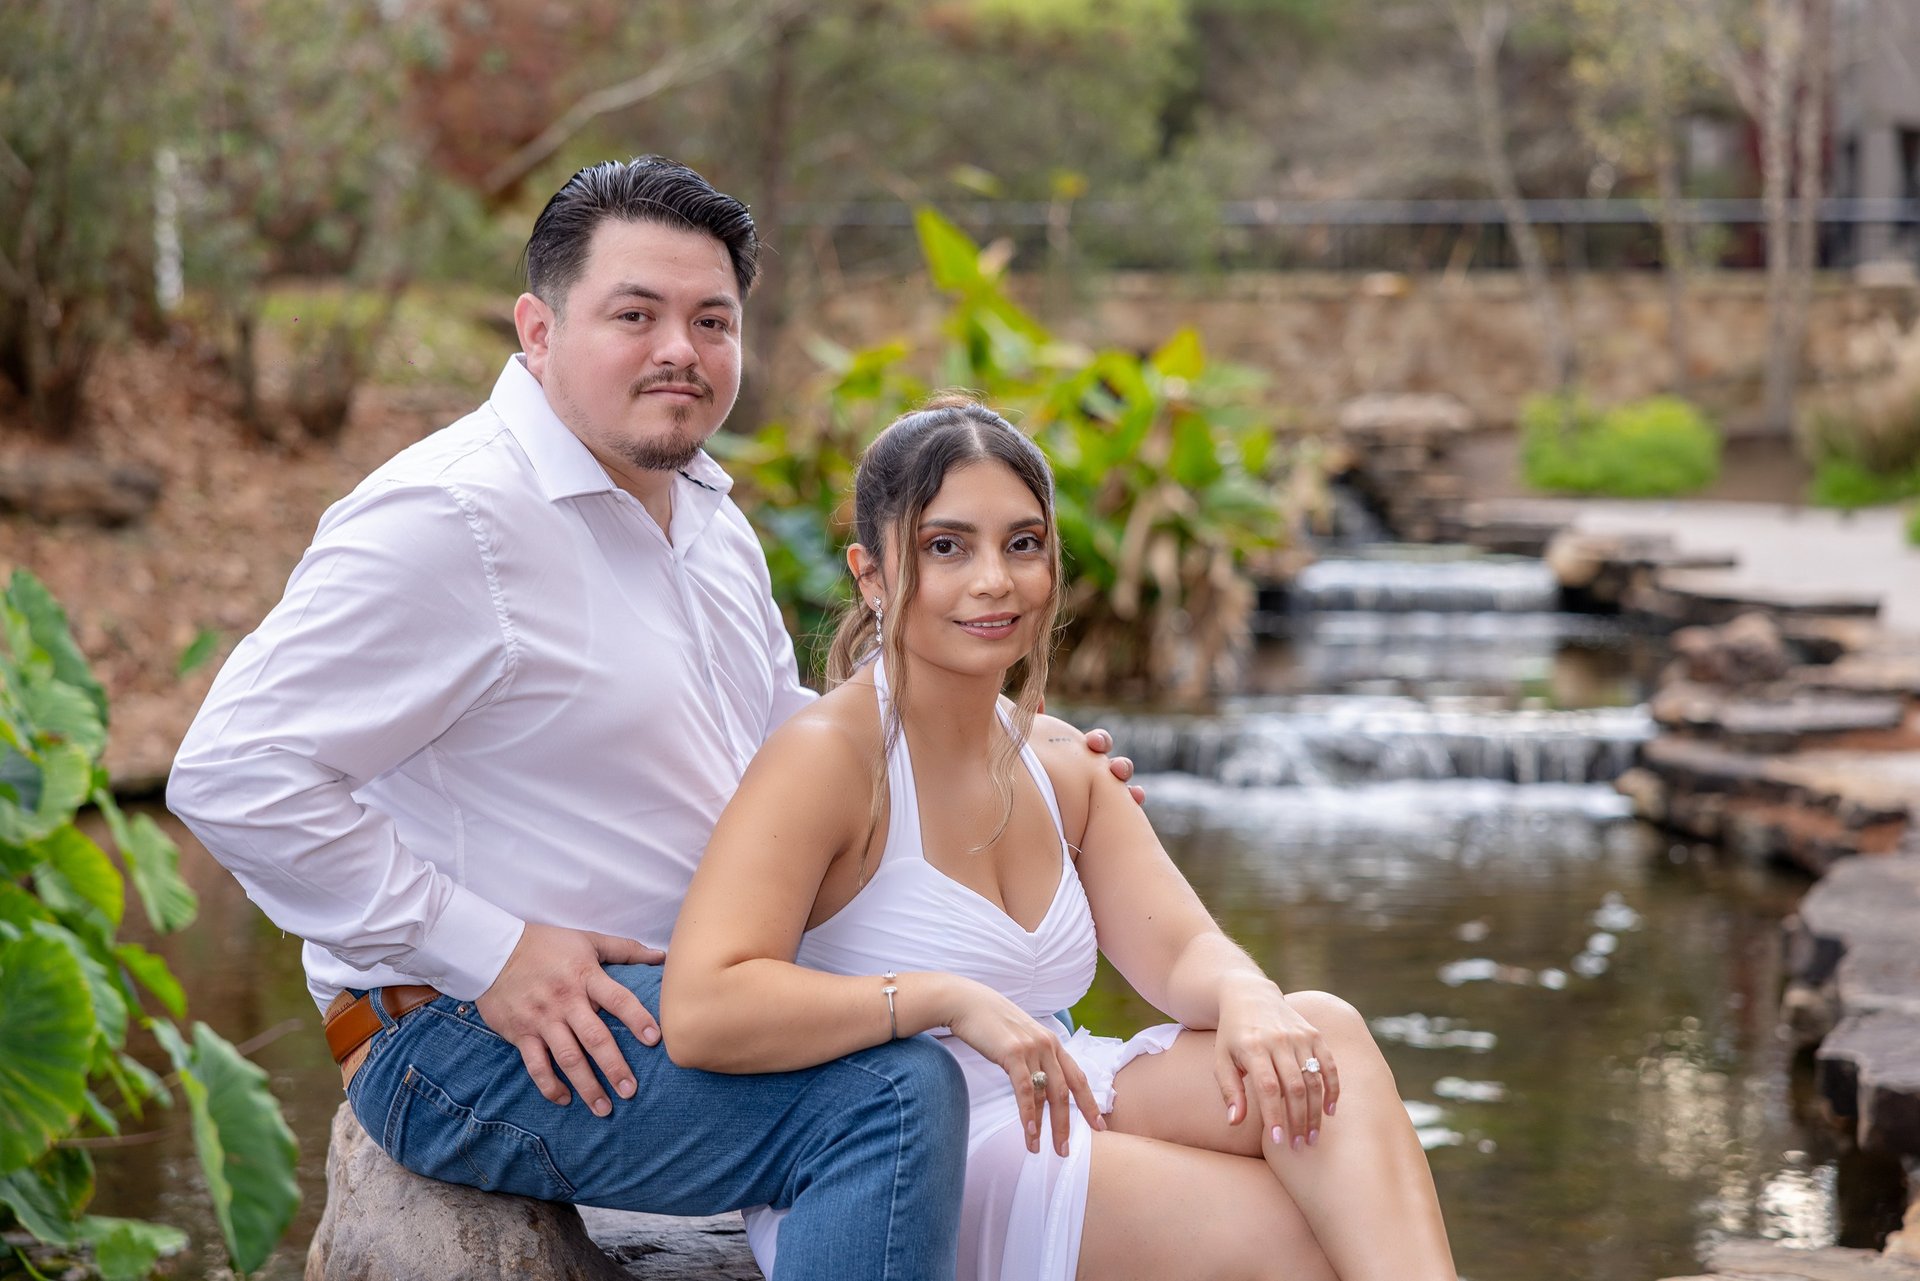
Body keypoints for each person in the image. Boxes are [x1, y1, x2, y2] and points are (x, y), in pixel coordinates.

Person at [166, 156, 1135, 1281]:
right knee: (890, 1091)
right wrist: (491, 950)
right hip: (460, 1028)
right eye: (636, 315)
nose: (681, 348)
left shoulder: (707, 515)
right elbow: (232, 772)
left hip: (692, 993)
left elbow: (784, 741)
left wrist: (1016, 767)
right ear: (538, 330)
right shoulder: (452, 517)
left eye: (711, 320)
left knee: (1011, 1043)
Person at [661, 397, 1459, 1281]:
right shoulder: (827, 759)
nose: (994, 580)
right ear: (872, 574)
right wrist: (939, 997)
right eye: (946, 546)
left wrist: (1247, 993)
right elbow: (703, 1008)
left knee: (1322, 1033)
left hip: (1070, 1087)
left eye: (1023, 543)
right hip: (920, 1147)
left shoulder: (1061, 761)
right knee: (1305, 1233)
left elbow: (1180, 948)